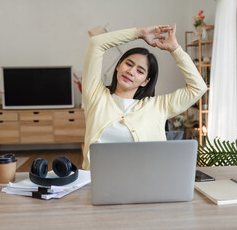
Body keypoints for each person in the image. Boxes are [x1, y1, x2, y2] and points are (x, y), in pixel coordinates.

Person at [82, 24, 207, 170]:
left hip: (145, 183)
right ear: (118, 66)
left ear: (145, 81)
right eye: (128, 64)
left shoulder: (158, 106)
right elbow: (96, 43)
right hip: (96, 182)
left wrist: (175, 50)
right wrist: (139, 33)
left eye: (140, 71)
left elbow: (198, 87)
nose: (131, 71)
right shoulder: (96, 96)